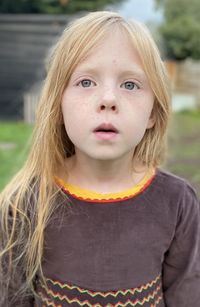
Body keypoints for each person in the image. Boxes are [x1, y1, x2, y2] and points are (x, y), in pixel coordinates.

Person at [0, 11, 200, 307]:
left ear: (153, 114)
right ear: (58, 103)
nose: (109, 99)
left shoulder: (178, 202)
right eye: (85, 82)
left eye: (130, 85)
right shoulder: (24, 204)